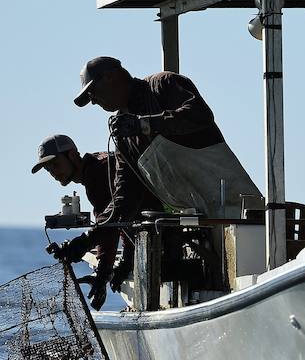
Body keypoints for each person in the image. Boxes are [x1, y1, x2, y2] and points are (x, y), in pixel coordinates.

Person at [73, 56, 257, 215]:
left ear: (110, 77)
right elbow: (125, 196)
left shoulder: (162, 85)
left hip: (239, 213)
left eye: (92, 93)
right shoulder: (124, 136)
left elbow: (200, 115)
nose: (94, 102)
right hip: (195, 223)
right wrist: (91, 237)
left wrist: (144, 124)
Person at [34, 134, 159, 309]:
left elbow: (113, 220)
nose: (53, 173)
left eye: (55, 164)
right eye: (48, 169)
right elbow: (118, 221)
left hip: (160, 235)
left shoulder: (98, 171)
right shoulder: (96, 166)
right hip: (150, 232)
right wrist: (124, 260)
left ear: (71, 155)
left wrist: (99, 268)